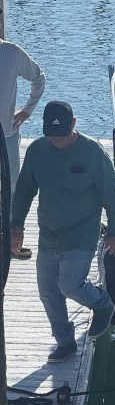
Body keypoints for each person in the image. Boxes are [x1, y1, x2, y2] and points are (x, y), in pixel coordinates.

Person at [10, 101, 115, 363]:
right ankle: (65, 343)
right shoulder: (38, 150)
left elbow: (112, 194)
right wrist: (16, 225)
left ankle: (102, 303)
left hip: (82, 234)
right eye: (51, 135)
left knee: (70, 285)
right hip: (49, 234)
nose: (56, 140)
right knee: (48, 291)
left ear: (73, 124)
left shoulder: (92, 153)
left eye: (61, 135)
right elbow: (25, 190)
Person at [0, 34, 46, 259]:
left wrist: (28, 109)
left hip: (6, 133)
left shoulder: (12, 53)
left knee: (12, 187)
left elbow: (39, 77)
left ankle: (11, 240)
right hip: (7, 132)